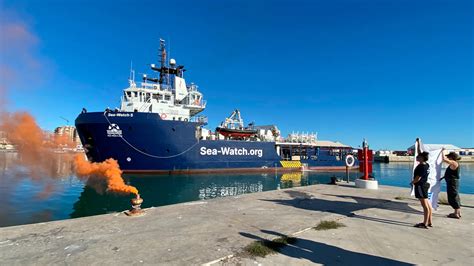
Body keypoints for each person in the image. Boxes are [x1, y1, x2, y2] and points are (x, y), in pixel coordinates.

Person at [411, 140, 432, 229]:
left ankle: (425, 223)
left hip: (420, 186)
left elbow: (417, 178)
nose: (417, 157)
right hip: (425, 185)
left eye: (418, 157)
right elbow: (420, 152)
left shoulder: (421, 167)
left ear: (422, 158)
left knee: (425, 206)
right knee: (428, 204)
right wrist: (418, 143)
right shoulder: (426, 164)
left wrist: (412, 183)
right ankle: (429, 221)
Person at [441, 149, 462, 219]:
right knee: (455, 196)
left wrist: (442, 151)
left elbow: (444, 159)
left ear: (451, 157)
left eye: (448, 157)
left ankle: (456, 213)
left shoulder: (453, 162)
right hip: (453, 182)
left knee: (453, 196)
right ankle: (458, 212)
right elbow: (451, 173)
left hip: (452, 182)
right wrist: (443, 177)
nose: (447, 158)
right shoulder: (454, 163)